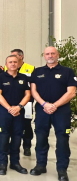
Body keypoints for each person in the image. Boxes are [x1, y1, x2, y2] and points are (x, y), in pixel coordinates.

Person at [29, 47, 77, 181]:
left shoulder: (67, 71)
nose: (50, 56)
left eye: (52, 53)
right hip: (42, 110)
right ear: (44, 56)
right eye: (47, 54)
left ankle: (62, 170)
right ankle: (40, 165)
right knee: (41, 138)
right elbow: (34, 91)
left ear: (58, 55)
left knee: (62, 140)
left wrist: (54, 105)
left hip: (61, 111)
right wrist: (45, 104)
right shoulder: (37, 71)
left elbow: (71, 92)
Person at [0, 55, 31, 175]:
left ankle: (15, 163)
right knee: (3, 139)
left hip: (19, 113)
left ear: (19, 63)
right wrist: (9, 108)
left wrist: (19, 107)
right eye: (10, 62)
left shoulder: (24, 77)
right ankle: (2, 163)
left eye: (15, 62)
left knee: (17, 138)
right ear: (6, 64)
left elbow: (27, 94)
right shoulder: (0, 77)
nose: (13, 64)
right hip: (4, 113)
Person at [9, 49, 35, 156]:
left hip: (27, 102)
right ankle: (13, 146)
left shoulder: (31, 68)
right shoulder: (7, 67)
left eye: (14, 56)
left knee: (26, 124)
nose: (12, 60)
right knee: (12, 124)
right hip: (12, 101)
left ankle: (27, 146)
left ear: (21, 56)